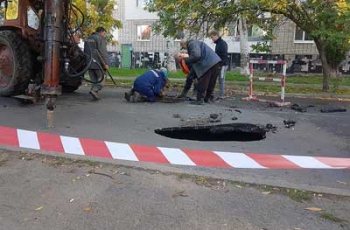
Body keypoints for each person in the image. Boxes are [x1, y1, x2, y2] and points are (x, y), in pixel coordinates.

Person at [175, 39, 221, 104]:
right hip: (215, 61)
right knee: (211, 82)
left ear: (184, 44)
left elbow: (196, 56)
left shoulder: (191, 44)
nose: (185, 49)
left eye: (184, 47)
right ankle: (208, 98)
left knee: (203, 81)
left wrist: (185, 60)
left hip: (207, 63)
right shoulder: (197, 44)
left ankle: (200, 100)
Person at [84, 27, 109, 101]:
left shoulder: (88, 38)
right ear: (102, 32)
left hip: (89, 63)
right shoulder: (100, 38)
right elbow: (102, 51)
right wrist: (106, 63)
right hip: (98, 63)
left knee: (94, 80)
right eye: (105, 34)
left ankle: (94, 94)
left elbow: (85, 51)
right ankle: (94, 91)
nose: (105, 35)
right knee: (102, 78)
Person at [210, 30, 228, 99]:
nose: (212, 39)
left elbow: (224, 55)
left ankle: (221, 95)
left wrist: (220, 65)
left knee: (221, 80)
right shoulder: (218, 44)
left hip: (223, 65)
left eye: (212, 37)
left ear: (216, 35)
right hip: (218, 64)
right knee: (215, 79)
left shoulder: (222, 44)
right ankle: (214, 93)